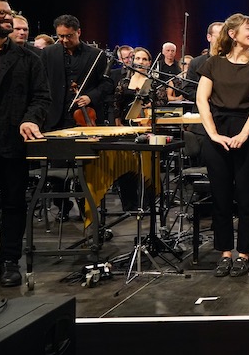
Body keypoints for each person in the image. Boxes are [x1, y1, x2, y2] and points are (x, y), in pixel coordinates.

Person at [0, 0, 49, 288]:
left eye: (9, 13)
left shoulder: (28, 58)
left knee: (13, 204)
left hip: (12, 143)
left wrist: (31, 119)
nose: (7, 18)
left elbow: (42, 98)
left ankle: (9, 261)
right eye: (0, 13)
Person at [195, 14, 249, 278]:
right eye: (248, 28)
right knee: (221, 197)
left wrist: (244, 133)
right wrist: (213, 134)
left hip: (247, 132)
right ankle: (225, 253)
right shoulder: (213, 63)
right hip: (218, 133)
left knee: (247, 197)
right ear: (232, 34)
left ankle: (244, 254)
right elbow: (202, 100)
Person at [113, 47, 168, 211]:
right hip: (127, 128)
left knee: (147, 167)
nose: (140, 62)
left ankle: (149, 203)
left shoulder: (154, 82)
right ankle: (129, 204)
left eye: (144, 59)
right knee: (126, 167)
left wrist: (150, 104)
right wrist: (118, 124)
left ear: (149, 63)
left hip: (146, 128)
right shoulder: (124, 82)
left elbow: (163, 101)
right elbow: (117, 104)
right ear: (132, 61)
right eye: (137, 58)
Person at [41, 14, 113, 132]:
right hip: (55, 118)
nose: (65, 40)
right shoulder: (48, 53)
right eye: (61, 36)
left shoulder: (96, 55)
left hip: (86, 116)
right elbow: (42, 82)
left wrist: (90, 97)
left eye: (69, 36)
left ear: (78, 32)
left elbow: (107, 84)